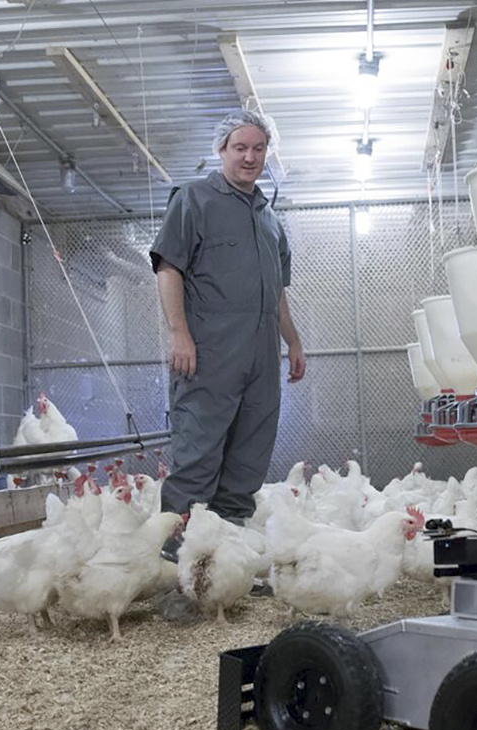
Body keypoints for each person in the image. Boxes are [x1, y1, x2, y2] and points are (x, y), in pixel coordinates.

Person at [150, 109, 305, 564]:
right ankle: (179, 569)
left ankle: (223, 567)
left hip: (260, 361)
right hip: (209, 356)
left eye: (259, 149)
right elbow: (168, 268)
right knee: (197, 460)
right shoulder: (194, 200)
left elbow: (276, 290)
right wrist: (179, 334)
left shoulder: (269, 217)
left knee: (246, 465)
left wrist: (292, 340)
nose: (250, 157)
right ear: (222, 151)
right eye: (241, 148)